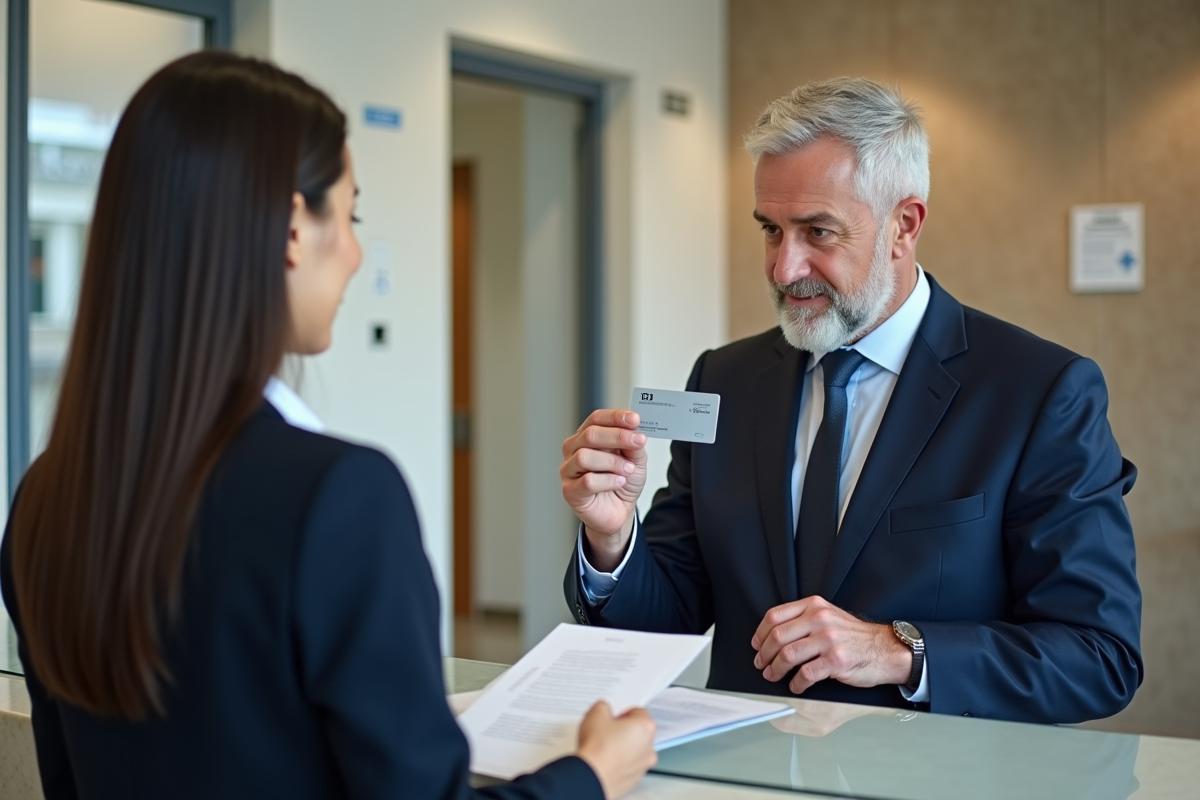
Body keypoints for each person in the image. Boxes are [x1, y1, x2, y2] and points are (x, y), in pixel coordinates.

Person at [0, 51, 655, 800]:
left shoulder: (44, 497)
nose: (353, 253)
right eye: (350, 214)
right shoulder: (339, 498)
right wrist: (591, 775)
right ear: (289, 228)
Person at [560, 77, 1142, 724]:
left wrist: (900, 650)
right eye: (771, 231)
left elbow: (1099, 655)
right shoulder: (725, 377)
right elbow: (668, 618)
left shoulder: (1038, 392)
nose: (784, 269)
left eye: (818, 232)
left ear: (904, 225)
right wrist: (613, 539)